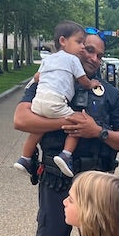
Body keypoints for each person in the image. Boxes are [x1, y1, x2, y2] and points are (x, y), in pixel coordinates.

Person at [13, 26, 119, 236]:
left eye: (99, 55)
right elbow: (20, 119)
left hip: (96, 186)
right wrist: (66, 122)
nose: (93, 57)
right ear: (74, 48)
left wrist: (98, 132)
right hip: (55, 182)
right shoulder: (46, 81)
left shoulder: (110, 94)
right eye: (88, 49)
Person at [14, 21, 102, 178]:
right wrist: (92, 84)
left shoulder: (48, 59)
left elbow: (37, 77)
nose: (82, 46)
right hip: (56, 101)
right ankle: (65, 155)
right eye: (79, 42)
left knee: (37, 130)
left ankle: (24, 158)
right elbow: (83, 81)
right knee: (79, 122)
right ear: (63, 41)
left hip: (39, 102)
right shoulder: (73, 60)